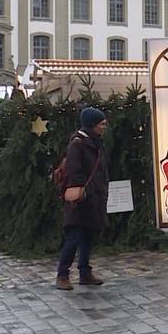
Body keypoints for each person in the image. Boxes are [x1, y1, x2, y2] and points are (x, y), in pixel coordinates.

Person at [56, 107, 110, 291]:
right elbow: (74, 170)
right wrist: (80, 192)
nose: (104, 127)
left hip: (94, 198)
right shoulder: (78, 143)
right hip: (79, 199)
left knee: (88, 236)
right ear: (92, 124)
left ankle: (85, 272)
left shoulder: (95, 143)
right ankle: (62, 274)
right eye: (102, 124)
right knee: (74, 238)